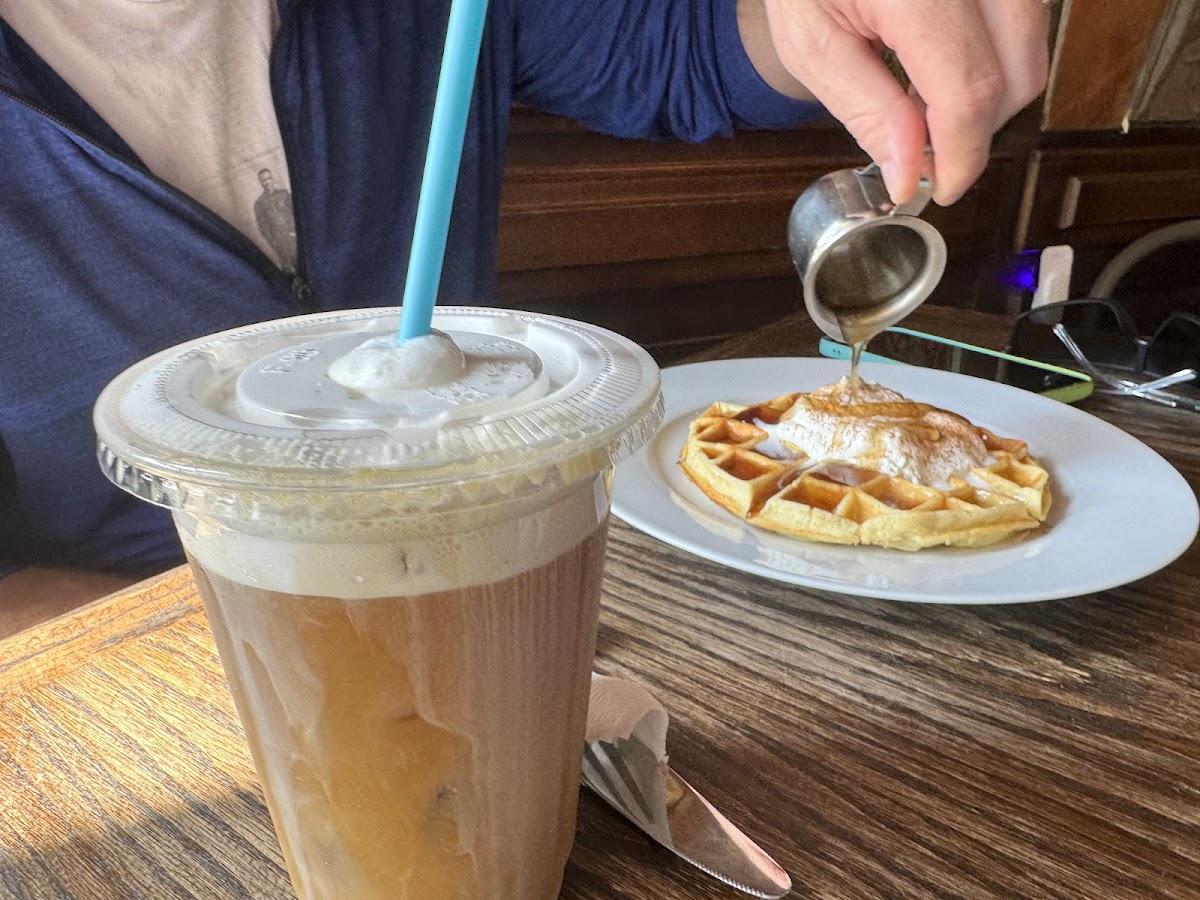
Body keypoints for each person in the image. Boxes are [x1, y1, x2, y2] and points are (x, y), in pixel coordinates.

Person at [0, 0, 1050, 628]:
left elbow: (692, 53)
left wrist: (818, 17)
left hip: (523, 598)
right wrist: (301, 620)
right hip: (120, 702)